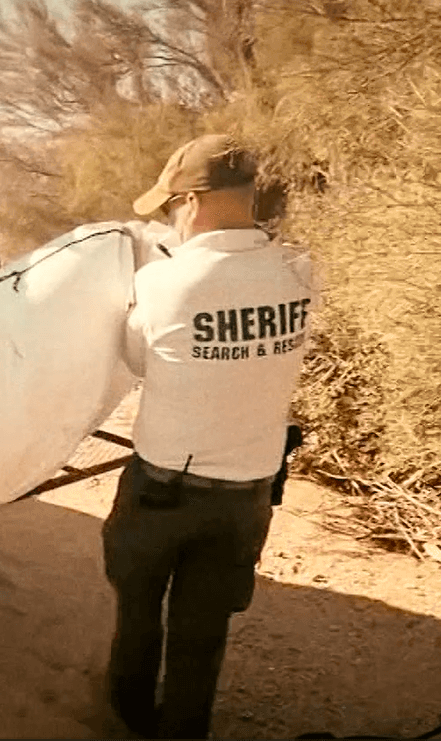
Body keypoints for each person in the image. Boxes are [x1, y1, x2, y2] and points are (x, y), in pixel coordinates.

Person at [102, 134, 320, 739]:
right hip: (247, 492)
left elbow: (137, 361)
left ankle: (128, 715)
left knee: (138, 610)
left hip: (162, 490)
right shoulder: (300, 271)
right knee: (203, 630)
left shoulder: (163, 283)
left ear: (191, 203)